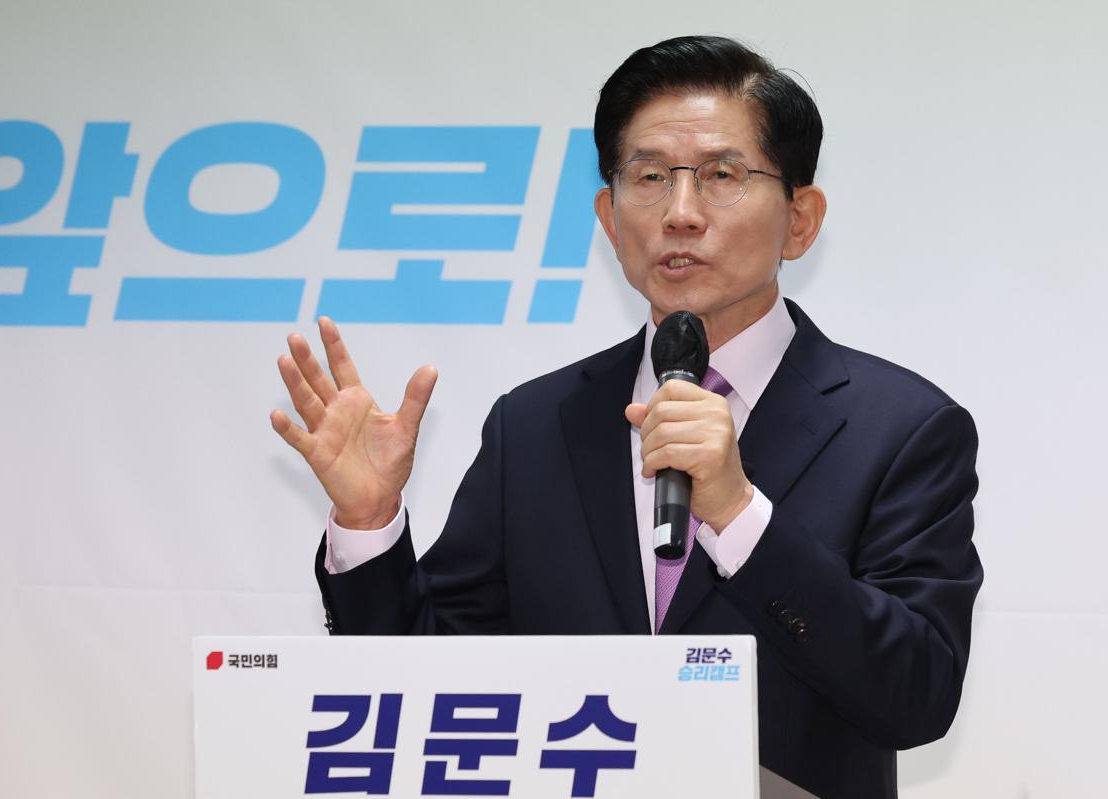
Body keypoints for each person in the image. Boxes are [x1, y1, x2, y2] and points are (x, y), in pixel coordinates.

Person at [270, 35, 982, 798]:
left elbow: (916, 696)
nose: (680, 213)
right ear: (610, 219)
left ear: (800, 219)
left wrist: (740, 516)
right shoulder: (534, 426)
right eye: (649, 178)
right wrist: (369, 526)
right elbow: (422, 685)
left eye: (722, 175)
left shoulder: (902, 428)